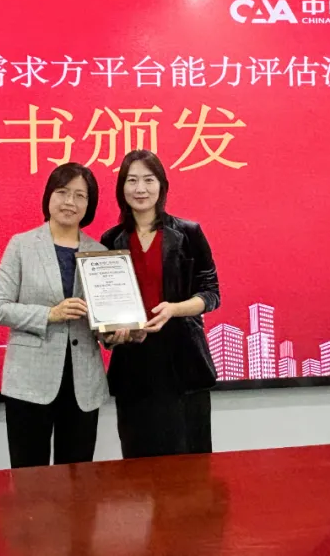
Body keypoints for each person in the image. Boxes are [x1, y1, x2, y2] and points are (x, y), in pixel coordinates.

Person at [100, 150, 220, 459]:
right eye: (132, 181)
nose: (140, 189)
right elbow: (103, 304)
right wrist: (110, 334)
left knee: (190, 468)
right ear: (121, 188)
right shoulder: (110, 240)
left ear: (162, 186)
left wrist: (174, 309)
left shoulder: (188, 233)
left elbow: (211, 294)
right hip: (133, 363)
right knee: (137, 465)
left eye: (148, 180)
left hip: (182, 361)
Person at [0, 163, 109, 468]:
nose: (70, 202)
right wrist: (50, 314)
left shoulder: (101, 253)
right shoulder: (21, 245)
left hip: (83, 383)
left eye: (80, 195)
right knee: (30, 479)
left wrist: (115, 331)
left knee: (78, 480)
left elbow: (103, 320)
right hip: (29, 380)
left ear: (89, 204)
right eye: (62, 192)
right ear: (49, 197)